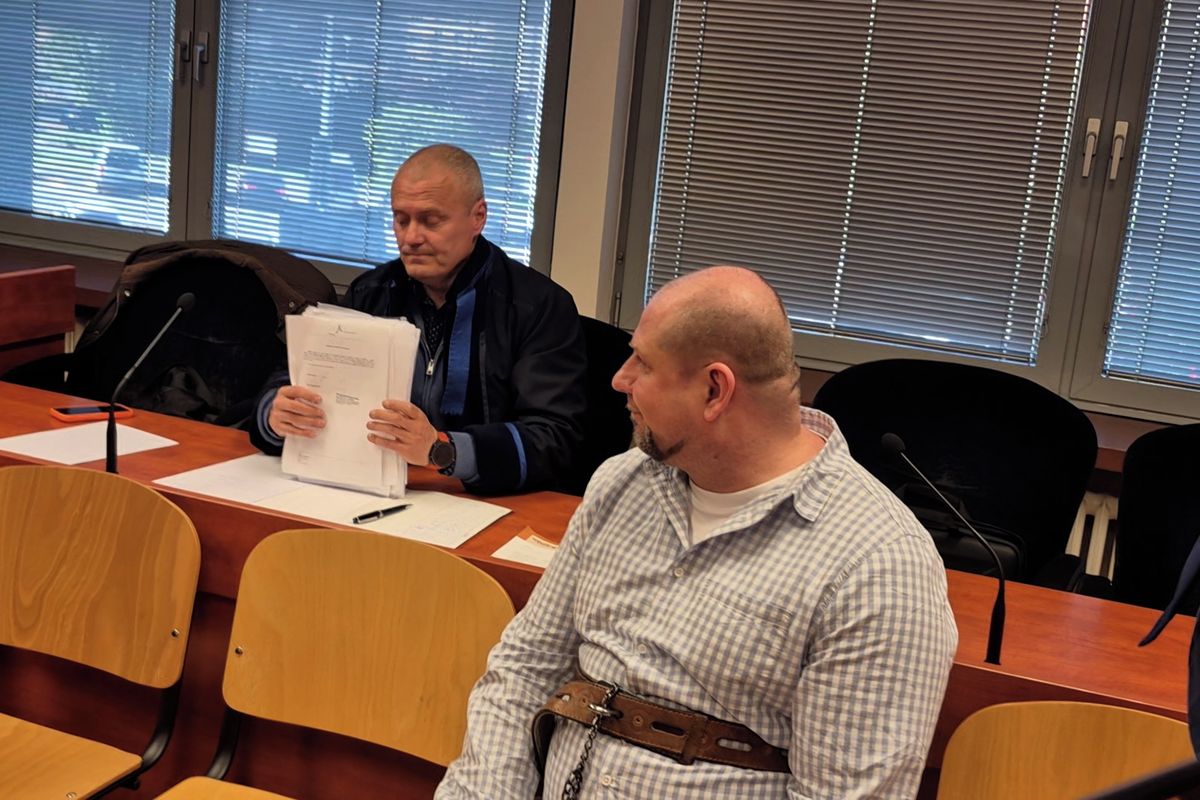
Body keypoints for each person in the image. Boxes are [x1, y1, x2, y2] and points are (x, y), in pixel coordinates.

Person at [435, 267, 958, 798]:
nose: (620, 379)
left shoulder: (878, 566)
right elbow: (526, 669)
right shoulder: (625, 481)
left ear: (714, 389)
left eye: (643, 363)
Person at [250, 144, 587, 495]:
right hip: (372, 486)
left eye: (430, 220)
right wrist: (277, 415)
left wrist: (441, 449)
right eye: (401, 219)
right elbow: (293, 380)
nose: (411, 238)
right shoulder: (372, 291)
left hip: (481, 498)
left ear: (478, 217)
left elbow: (555, 437)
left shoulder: (537, 306)